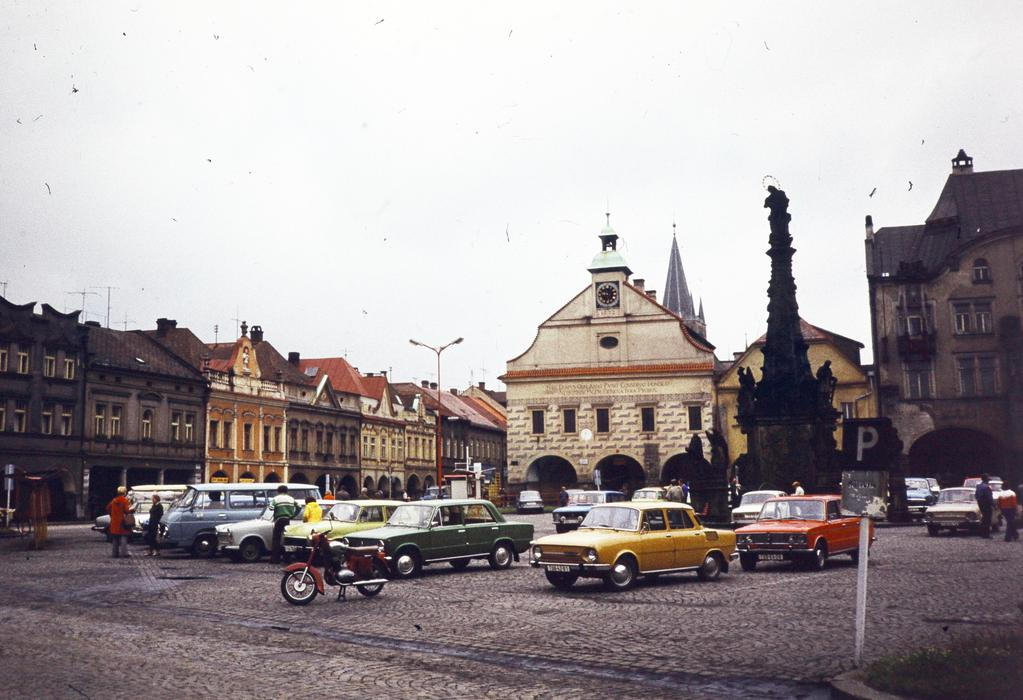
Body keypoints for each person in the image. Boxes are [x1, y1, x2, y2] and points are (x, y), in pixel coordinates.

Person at [268, 485, 297, 563]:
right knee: (287, 539)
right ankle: (287, 558)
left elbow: (271, 507)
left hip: (279, 519)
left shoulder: (276, 498)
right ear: (287, 491)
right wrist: (293, 515)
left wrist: (276, 508)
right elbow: (299, 506)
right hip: (287, 520)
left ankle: (275, 558)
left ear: (278, 491)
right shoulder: (291, 499)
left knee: (276, 539)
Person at [107, 486, 134, 558]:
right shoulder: (124, 500)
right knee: (123, 537)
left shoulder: (114, 500)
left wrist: (112, 515)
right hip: (122, 522)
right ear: (124, 492)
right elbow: (127, 510)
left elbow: (108, 508)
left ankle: (115, 553)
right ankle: (124, 553)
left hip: (114, 522)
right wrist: (131, 509)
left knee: (115, 538)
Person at [975, 474, 994, 539]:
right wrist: (994, 505)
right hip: (986, 505)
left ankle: (981, 533)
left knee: (984, 518)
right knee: (987, 519)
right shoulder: (987, 487)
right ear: (986, 479)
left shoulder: (978, 486)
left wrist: (979, 502)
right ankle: (986, 534)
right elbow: (989, 498)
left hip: (980, 504)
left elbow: (976, 495)